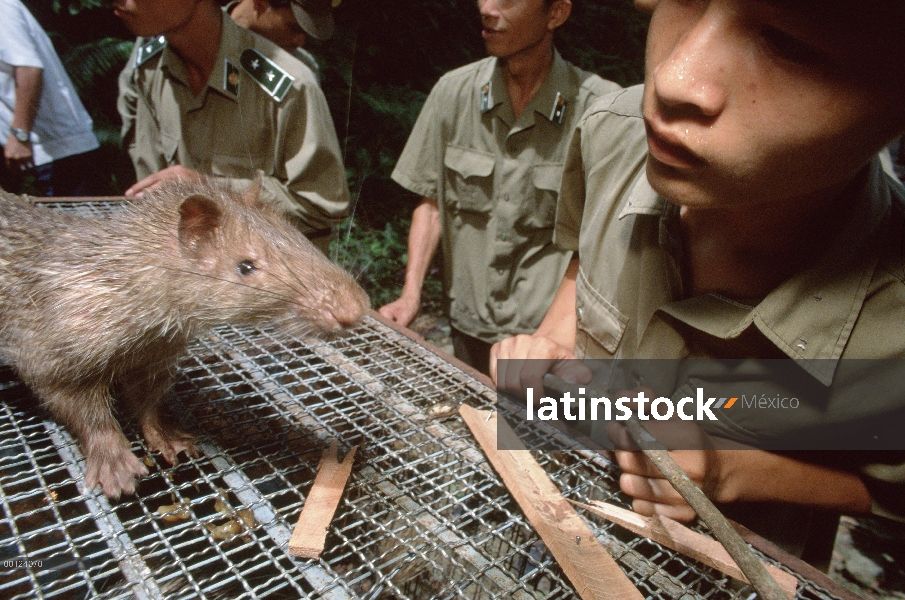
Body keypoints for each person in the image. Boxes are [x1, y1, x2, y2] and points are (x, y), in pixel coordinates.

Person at [492, 0, 905, 567]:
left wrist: (733, 470)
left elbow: (891, 495)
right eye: (684, 0)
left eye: (791, 44)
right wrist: (548, 345)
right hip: (565, 514)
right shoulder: (614, 133)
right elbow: (583, 263)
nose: (672, 78)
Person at [378, 0, 619, 375]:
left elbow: (606, 245)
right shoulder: (453, 94)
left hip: (551, 342)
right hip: (468, 328)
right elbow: (432, 205)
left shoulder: (601, 111)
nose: (487, 9)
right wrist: (411, 295)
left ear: (555, 14)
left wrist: (554, 338)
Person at [115, 0, 348, 253]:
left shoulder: (290, 85)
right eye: (293, 25)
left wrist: (213, 191)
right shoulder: (151, 68)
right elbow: (149, 188)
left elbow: (323, 204)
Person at [0, 0, 103, 196]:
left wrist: (20, 135)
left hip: (58, 153)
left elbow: (29, 68)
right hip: (26, 157)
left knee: (77, 226)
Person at [226, 0, 335, 82]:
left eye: (306, 33)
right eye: (294, 28)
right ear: (259, 3)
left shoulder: (300, 68)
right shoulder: (210, 31)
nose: (299, 42)